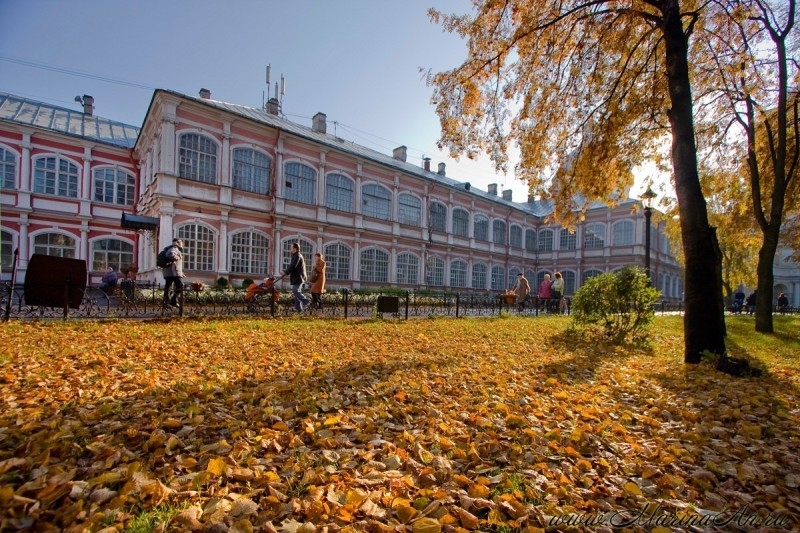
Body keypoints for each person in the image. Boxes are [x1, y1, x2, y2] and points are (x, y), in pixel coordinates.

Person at [282, 242, 310, 312]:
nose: (290, 249)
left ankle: (306, 301)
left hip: (299, 277)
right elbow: (292, 266)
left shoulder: (297, 255)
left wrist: (285, 272)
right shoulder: (295, 255)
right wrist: (286, 272)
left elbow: (293, 266)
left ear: (295, 248)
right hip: (297, 277)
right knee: (296, 292)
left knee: (296, 290)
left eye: (291, 247)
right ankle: (298, 308)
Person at [161, 238, 185, 308]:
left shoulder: (168, 248)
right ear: (178, 243)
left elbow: (175, 263)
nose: (182, 244)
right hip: (173, 272)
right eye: (181, 243)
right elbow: (169, 255)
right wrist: (178, 257)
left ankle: (166, 302)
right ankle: (173, 301)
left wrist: (181, 272)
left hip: (168, 272)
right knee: (180, 285)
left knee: (168, 286)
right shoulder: (175, 248)